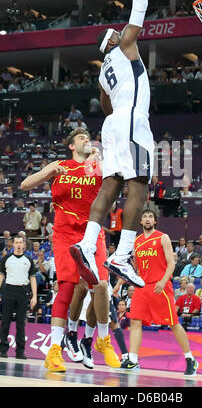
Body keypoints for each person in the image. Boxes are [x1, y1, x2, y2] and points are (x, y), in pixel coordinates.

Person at [69, 0, 156, 289]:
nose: (123, 33)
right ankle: (122, 255)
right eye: (118, 34)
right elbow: (140, 9)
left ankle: (88, 244)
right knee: (140, 187)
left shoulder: (103, 74)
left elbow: (105, 106)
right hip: (133, 119)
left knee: (111, 184)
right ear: (113, 41)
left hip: (113, 122)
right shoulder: (125, 47)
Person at [21, 128, 120, 372]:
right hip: (65, 232)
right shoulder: (60, 165)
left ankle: (103, 341)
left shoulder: (99, 164)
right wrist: (49, 173)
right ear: (72, 146)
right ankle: (54, 351)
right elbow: (25, 184)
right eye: (81, 138)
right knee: (67, 287)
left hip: (91, 231)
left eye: (88, 137)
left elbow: (113, 202)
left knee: (101, 285)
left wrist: (101, 164)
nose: (87, 140)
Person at [121, 209, 198, 375]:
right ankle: (133, 359)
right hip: (142, 286)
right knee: (135, 321)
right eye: (145, 216)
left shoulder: (163, 237)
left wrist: (163, 281)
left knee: (173, 323)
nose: (147, 219)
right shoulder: (137, 241)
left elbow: (171, 263)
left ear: (155, 221)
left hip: (160, 286)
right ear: (141, 222)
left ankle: (190, 358)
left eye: (150, 217)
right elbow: (134, 268)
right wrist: (124, 282)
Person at [0, 236, 37, 358]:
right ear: (13, 244)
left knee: (21, 324)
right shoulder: (6, 259)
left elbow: (32, 278)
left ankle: (20, 351)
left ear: (24, 244)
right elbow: (1, 276)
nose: (19, 244)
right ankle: (3, 349)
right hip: (9, 291)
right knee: (5, 322)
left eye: (21, 242)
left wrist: (35, 296)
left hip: (23, 292)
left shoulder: (29, 260)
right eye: (16, 243)